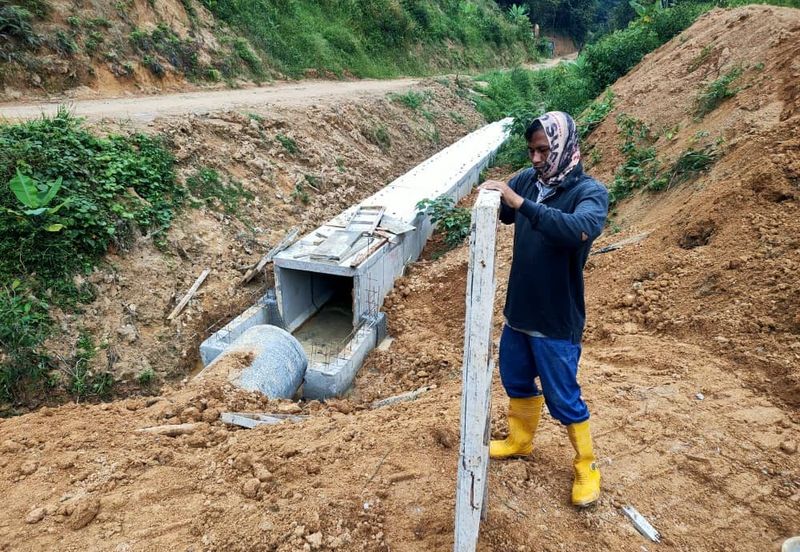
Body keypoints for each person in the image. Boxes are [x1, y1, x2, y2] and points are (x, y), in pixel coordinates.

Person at [479, 111, 609, 507]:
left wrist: (522, 203)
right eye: (531, 150)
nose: (535, 159)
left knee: (564, 397)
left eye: (543, 150)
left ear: (565, 147)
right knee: (515, 378)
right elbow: (505, 210)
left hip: (556, 320)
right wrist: (495, 196)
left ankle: (586, 465)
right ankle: (520, 440)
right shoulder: (529, 181)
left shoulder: (589, 192)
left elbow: (577, 229)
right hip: (520, 312)